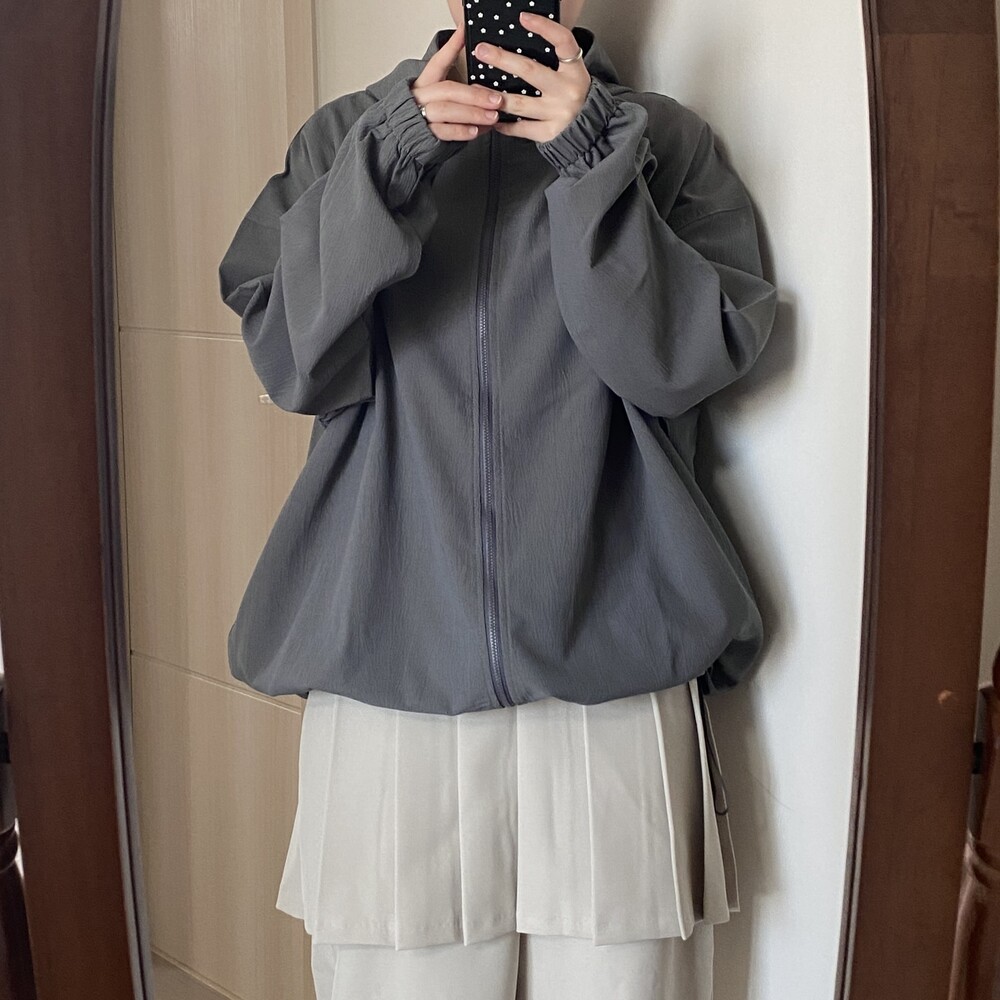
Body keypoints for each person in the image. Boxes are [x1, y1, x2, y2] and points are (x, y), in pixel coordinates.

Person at [219, 2, 776, 996]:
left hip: (615, 667)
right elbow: (291, 360)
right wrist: (390, 159)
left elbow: (679, 366)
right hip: (390, 667)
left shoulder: (666, 144)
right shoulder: (345, 137)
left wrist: (593, 160)